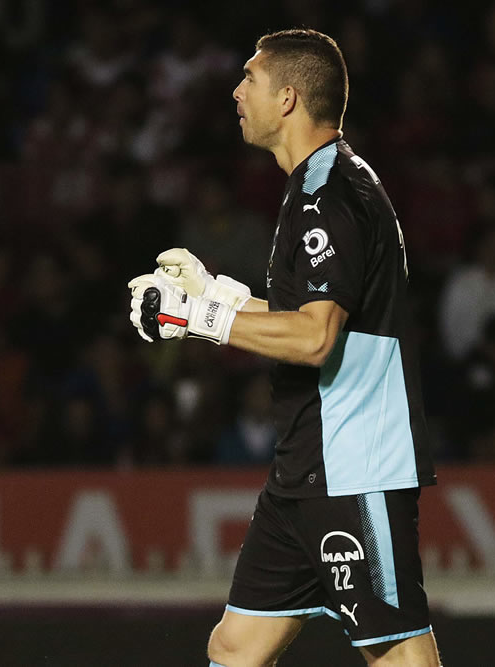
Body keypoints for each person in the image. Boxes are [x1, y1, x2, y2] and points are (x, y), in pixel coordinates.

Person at [128, 29, 441, 666]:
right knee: (237, 648)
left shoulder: (331, 196)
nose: (237, 91)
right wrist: (222, 296)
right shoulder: (312, 190)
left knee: (398, 658)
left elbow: (315, 337)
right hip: (303, 472)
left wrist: (198, 315)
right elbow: (306, 318)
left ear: (289, 98)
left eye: (250, 79)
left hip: (354, 468)